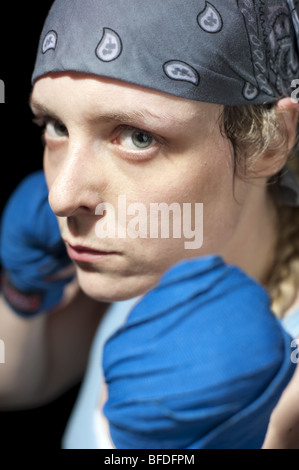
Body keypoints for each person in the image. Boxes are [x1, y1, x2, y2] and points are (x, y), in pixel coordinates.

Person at [1, 0, 299, 449]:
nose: (61, 196)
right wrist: (21, 294)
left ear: (270, 143)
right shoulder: (141, 271)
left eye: (138, 137)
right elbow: (16, 384)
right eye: (56, 126)